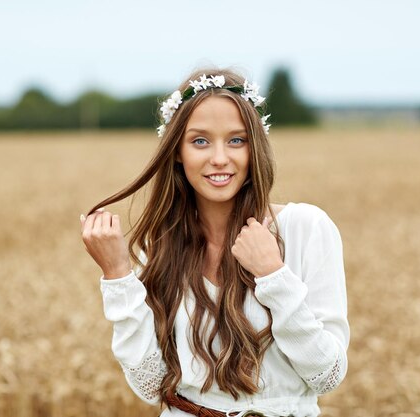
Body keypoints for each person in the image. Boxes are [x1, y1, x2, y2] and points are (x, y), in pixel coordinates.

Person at [80, 68, 349, 417]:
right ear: (177, 151)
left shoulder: (306, 227)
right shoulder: (162, 244)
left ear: (255, 148)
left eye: (236, 140)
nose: (219, 158)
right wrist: (117, 274)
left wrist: (273, 275)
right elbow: (150, 384)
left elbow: (327, 375)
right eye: (200, 141)